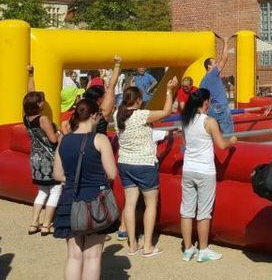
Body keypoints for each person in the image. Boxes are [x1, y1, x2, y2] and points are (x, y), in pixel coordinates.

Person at [52, 98, 118, 280]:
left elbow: (57, 175)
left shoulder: (64, 141)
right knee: (93, 256)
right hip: (96, 201)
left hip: (69, 201)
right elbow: (112, 174)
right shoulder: (100, 139)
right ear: (95, 116)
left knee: (73, 255)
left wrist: (73, 178)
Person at [115, 78, 177, 257]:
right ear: (139, 100)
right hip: (144, 163)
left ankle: (132, 244)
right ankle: (148, 246)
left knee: (130, 203)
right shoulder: (141, 115)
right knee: (151, 204)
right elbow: (166, 111)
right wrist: (168, 90)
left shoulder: (117, 115)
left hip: (125, 162)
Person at [179, 88, 237, 263]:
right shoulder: (209, 121)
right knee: (204, 212)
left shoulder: (186, 120)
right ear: (205, 102)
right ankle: (203, 249)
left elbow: (184, 142)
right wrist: (231, 141)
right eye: (209, 101)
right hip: (205, 170)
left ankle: (188, 248)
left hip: (188, 169)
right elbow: (220, 144)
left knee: (187, 211)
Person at [24, 66, 61, 236]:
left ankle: (34, 223)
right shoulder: (43, 119)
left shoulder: (26, 117)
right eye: (41, 101)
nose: (43, 102)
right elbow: (53, 139)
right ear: (38, 104)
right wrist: (61, 134)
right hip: (49, 158)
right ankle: (46, 224)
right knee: (55, 190)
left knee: (42, 190)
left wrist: (31, 75)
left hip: (35, 157)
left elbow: (30, 93)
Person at [199, 37, 234, 135]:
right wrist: (226, 42)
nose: (216, 64)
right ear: (209, 66)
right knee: (229, 136)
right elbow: (225, 58)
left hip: (211, 110)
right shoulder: (213, 73)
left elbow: (203, 100)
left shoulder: (203, 81)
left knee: (215, 136)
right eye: (214, 63)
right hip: (221, 106)